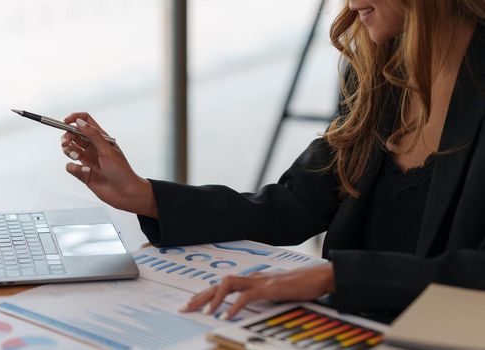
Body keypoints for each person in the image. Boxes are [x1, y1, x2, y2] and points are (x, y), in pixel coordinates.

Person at [59, 0, 485, 321]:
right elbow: (296, 204)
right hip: (350, 327)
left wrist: (336, 277)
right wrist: (145, 195)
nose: (351, 5)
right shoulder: (380, 68)